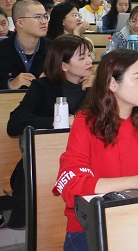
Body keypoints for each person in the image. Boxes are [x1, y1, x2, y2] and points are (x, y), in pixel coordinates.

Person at [54, 50, 138, 251]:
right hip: (90, 230)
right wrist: (134, 181)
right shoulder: (86, 123)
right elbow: (73, 183)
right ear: (112, 84)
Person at [6, 35, 93, 228]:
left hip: (84, 159)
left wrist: (92, 92)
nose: (89, 61)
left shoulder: (94, 88)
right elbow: (15, 124)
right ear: (64, 65)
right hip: (47, 158)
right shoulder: (42, 86)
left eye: (89, 55)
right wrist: (59, 121)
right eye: (82, 57)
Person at [0, 0, 52, 90]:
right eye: (38, 17)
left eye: (45, 16)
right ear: (20, 22)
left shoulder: (54, 49)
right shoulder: (2, 49)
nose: (44, 21)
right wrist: (9, 85)